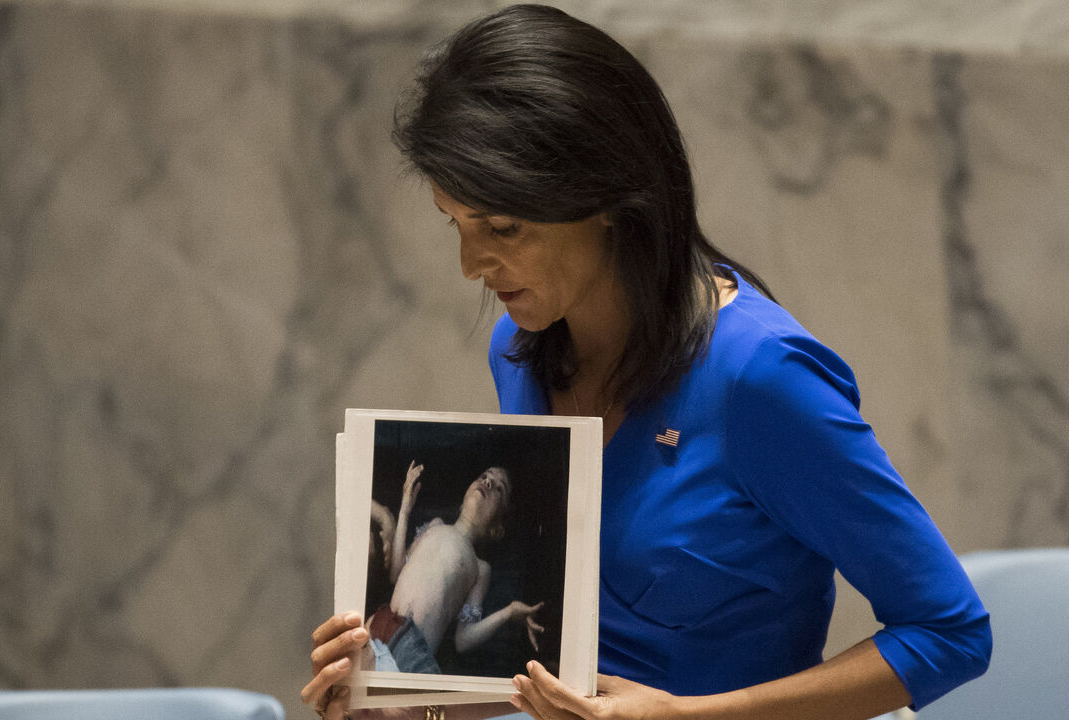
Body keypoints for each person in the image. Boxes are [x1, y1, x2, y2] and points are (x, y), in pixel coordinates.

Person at [302, 4, 991, 720]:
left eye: (503, 227)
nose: (471, 263)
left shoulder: (761, 378)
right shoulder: (517, 352)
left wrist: (688, 719)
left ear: (602, 196)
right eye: (458, 223)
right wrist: (402, 700)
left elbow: (951, 632)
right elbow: (564, 668)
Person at [366, 462, 545, 675]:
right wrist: (405, 509)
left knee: (403, 704)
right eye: (484, 476)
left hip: (412, 652)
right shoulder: (434, 525)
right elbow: (396, 573)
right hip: (380, 624)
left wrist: (508, 612)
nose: (487, 482)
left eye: (499, 488)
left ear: (496, 530)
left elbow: (463, 640)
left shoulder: (480, 568)